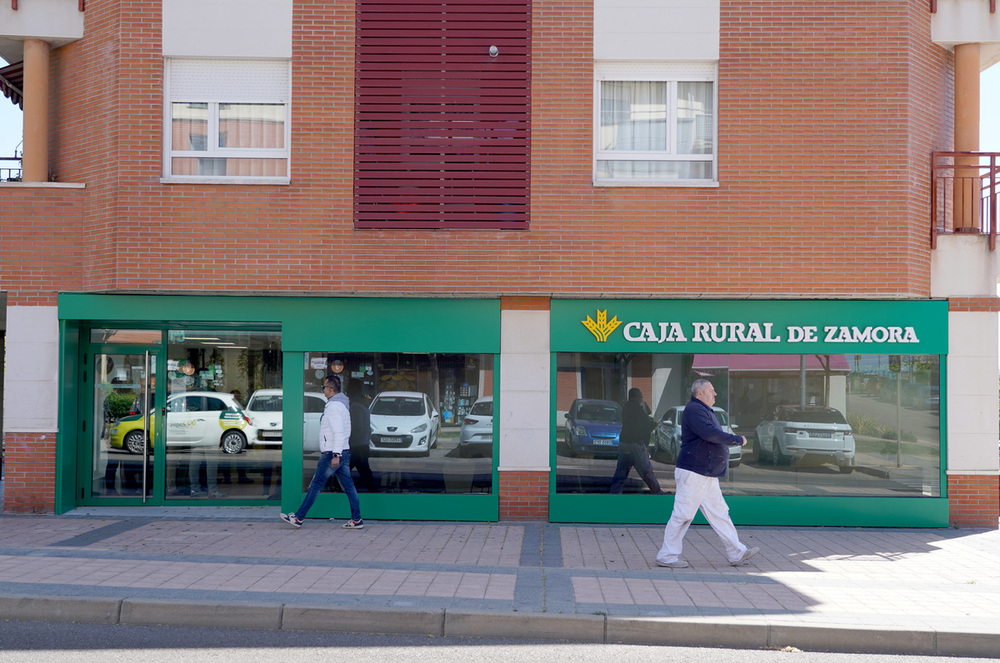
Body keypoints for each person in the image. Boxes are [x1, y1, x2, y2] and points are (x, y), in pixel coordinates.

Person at [655, 379, 758, 568]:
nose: (715, 394)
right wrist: (737, 440)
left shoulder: (703, 410)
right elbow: (710, 433)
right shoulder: (694, 410)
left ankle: (737, 553)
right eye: (711, 390)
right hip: (694, 473)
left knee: (720, 513)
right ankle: (667, 556)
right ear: (699, 393)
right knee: (682, 514)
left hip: (706, 474)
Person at [280, 376, 364, 529]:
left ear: (330, 389)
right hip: (343, 450)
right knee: (349, 487)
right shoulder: (342, 405)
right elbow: (345, 431)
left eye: (324, 387)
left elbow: (338, 432)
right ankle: (357, 519)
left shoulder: (333, 407)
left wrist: (336, 455)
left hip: (333, 452)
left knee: (316, 485)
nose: (323, 390)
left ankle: (298, 518)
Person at [610, 388, 662, 494]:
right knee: (646, 471)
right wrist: (645, 436)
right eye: (641, 397)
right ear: (636, 397)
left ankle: (614, 494)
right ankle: (657, 492)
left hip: (624, 442)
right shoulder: (637, 409)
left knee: (621, 471)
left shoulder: (626, 407)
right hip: (635, 444)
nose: (641, 399)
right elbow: (642, 426)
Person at [345, 379, 378, 493]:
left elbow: (356, 426)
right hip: (362, 443)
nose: (346, 390)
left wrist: (347, 438)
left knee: (344, 470)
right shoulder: (363, 403)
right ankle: (374, 492)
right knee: (363, 470)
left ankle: (337, 490)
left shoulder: (355, 406)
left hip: (356, 444)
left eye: (348, 387)